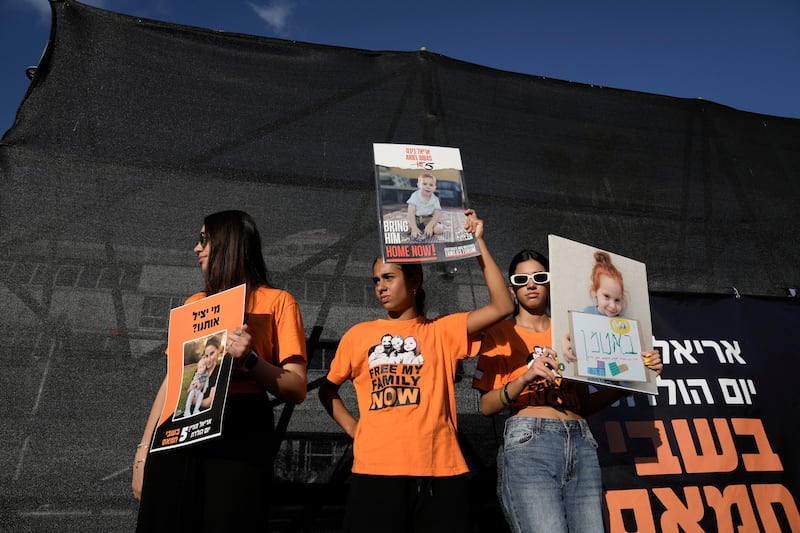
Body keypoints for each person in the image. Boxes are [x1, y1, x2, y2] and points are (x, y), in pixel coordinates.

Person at [319, 209, 514, 532]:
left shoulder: (442, 331)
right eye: (376, 280)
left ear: (415, 281)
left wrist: (477, 242)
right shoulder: (358, 335)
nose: (380, 286)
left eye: (389, 277)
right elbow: (328, 389)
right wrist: (354, 429)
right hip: (375, 471)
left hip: (439, 470)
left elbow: (503, 306)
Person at [132, 210, 308, 532]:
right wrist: (144, 452)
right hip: (182, 425)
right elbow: (173, 381)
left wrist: (251, 361)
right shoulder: (194, 303)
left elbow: (296, 387)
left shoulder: (279, 302)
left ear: (229, 244)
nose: (196, 249)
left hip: (241, 428)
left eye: (204, 240)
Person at [472, 249, 663, 533]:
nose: (531, 284)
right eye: (521, 279)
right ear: (512, 288)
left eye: (539, 276)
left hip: (581, 439)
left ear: (551, 283)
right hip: (529, 440)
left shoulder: (576, 327)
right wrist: (526, 377)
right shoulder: (500, 333)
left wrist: (635, 377)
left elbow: (583, 403)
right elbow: (486, 406)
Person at [181, 338, 216, 418]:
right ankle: (187, 410)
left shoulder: (210, 373)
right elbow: (189, 389)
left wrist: (203, 389)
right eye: (206, 356)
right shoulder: (198, 372)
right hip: (194, 390)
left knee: (200, 395)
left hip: (203, 408)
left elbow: (209, 401)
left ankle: (196, 410)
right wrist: (194, 385)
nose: (208, 359)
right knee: (191, 394)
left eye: (212, 354)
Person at [583, 251, 624, 316]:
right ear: (595, 292)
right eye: (607, 296)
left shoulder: (621, 322)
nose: (613, 306)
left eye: (617, 300)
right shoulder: (588, 313)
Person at [406, 172, 444, 240]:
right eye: (424, 184)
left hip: (428, 218)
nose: (428, 187)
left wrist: (430, 226)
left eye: (431, 185)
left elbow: (436, 215)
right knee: (405, 229)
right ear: (418, 185)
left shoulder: (435, 199)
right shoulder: (415, 196)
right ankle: (416, 228)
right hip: (416, 218)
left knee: (439, 230)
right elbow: (410, 213)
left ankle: (427, 228)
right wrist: (414, 227)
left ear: (434, 188)